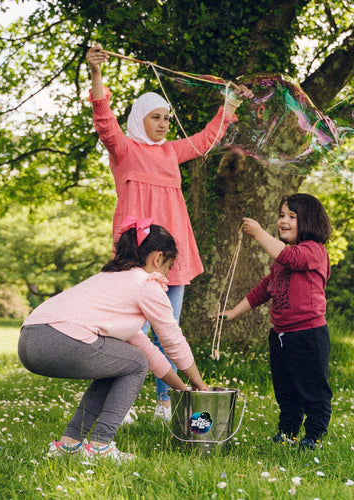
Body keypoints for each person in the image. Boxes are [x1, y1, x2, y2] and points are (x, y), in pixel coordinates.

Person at [86, 43, 252, 420]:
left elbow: (208, 137)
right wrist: (96, 74)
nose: (163, 123)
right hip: (138, 252)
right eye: (156, 117)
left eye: (167, 117)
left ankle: (165, 401)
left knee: (167, 328)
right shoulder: (124, 149)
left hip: (172, 251)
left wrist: (230, 106)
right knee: (128, 328)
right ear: (140, 118)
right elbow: (103, 118)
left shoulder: (172, 152)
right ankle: (118, 402)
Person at [18, 217, 207, 461]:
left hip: (30, 340)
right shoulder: (146, 283)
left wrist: (181, 388)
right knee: (135, 363)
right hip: (59, 340)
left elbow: (145, 348)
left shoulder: (111, 279)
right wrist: (200, 384)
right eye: (168, 268)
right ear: (157, 258)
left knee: (123, 361)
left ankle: (69, 444)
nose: (167, 277)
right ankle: (100, 446)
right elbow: (173, 341)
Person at [222, 193, 333, 450]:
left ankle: (314, 435)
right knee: (286, 390)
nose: (283, 221)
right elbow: (263, 290)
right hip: (281, 335)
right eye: (281, 215)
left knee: (313, 389)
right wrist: (232, 313)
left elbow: (290, 257)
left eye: (292, 217)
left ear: (309, 221)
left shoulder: (314, 251)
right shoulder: (281, 262)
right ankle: (287, 432)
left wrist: (259, 233)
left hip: (308, 335)